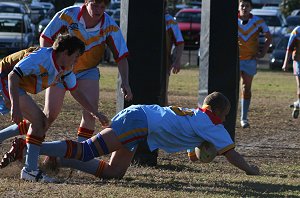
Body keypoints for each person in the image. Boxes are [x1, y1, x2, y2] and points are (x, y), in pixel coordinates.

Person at [1, 92, 260, 182]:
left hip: (141, 119)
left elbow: (190, 149)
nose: (224, 120)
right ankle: (30, 147)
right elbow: (232, 154)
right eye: (225, 115)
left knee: (114, 172)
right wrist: (250, 170)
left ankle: (57, 161)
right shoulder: (212, 123)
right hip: (140, 122)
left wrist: (195, 152)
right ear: (216, 112)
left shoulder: (199, 115)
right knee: (89, 150)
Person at [0, 34, 109, 182]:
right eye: (76, 56)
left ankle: (28, 168)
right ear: (65, 53)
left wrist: (94, 112)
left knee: (39, 122)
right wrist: (15, 106)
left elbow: (75, 91)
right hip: (4, 79)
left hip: (13, 84)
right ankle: (30, 171)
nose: (77, 61)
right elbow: (13, 76)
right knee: (40, 122)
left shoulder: (65, 68)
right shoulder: (42, 57)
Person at [40, 0, 133, 142]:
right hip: (61, 69)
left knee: (91, 114)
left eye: (102, 7)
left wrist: (125, 82)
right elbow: (45, 38)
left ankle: (78, 155)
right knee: (49, 115)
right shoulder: (68, 14)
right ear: (86, 2)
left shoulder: (110, 26)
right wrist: (52, 66)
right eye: (95, 5)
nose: (98, 10)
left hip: (87, 71)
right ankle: (28, 147)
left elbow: (121, 56)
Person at [132, 0, 185, 167]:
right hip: (141, 65)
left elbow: (180, 42)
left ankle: (162, 132)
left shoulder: (169, 20)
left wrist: (176, 60)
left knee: (161, 98)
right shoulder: (141, 16)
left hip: (161, 66)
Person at [238, 0, 272, 128]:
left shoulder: (258, 21)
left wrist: (263, 52)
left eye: (247, 6)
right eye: (242, 5)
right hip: (234, 60)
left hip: (250, 59)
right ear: (238, 6)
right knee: (231, 89)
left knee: (246, 88)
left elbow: (269, 37)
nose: (244, 8)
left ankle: (243, 118)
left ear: (251, 8)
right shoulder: (231, 19)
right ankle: (228, 116)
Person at [282, 26, 300, 119]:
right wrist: (285, 63)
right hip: (298, 61)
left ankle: (297, 104)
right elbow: (289, 48)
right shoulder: (297, 31)